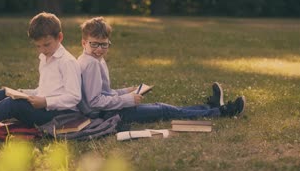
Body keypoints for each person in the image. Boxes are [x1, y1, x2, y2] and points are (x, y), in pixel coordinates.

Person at [77, 17, 245, 123]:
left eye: (104, 45)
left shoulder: (94, 59)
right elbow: (95, 102)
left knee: (162, 107)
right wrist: (128, 99)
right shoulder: (91, 63)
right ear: (84, 42)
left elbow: (103, 93)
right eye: (94, 44)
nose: (99, 49)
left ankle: (211, 107)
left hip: (111, 109)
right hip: (107, 115)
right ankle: (222, 112)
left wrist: (124, 91)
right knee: (163, 110)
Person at [0, 12, 82, 133]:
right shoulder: (45, 58)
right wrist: (23, 93)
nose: (42, 50)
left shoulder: (67, 62)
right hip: (45, 108)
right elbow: (46, 90)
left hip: (60, 115)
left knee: (13, 104)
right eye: (38, 46)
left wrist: (46, 102)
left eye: (46, 45)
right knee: (5, 93)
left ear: (59, 37)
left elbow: (74, 97)